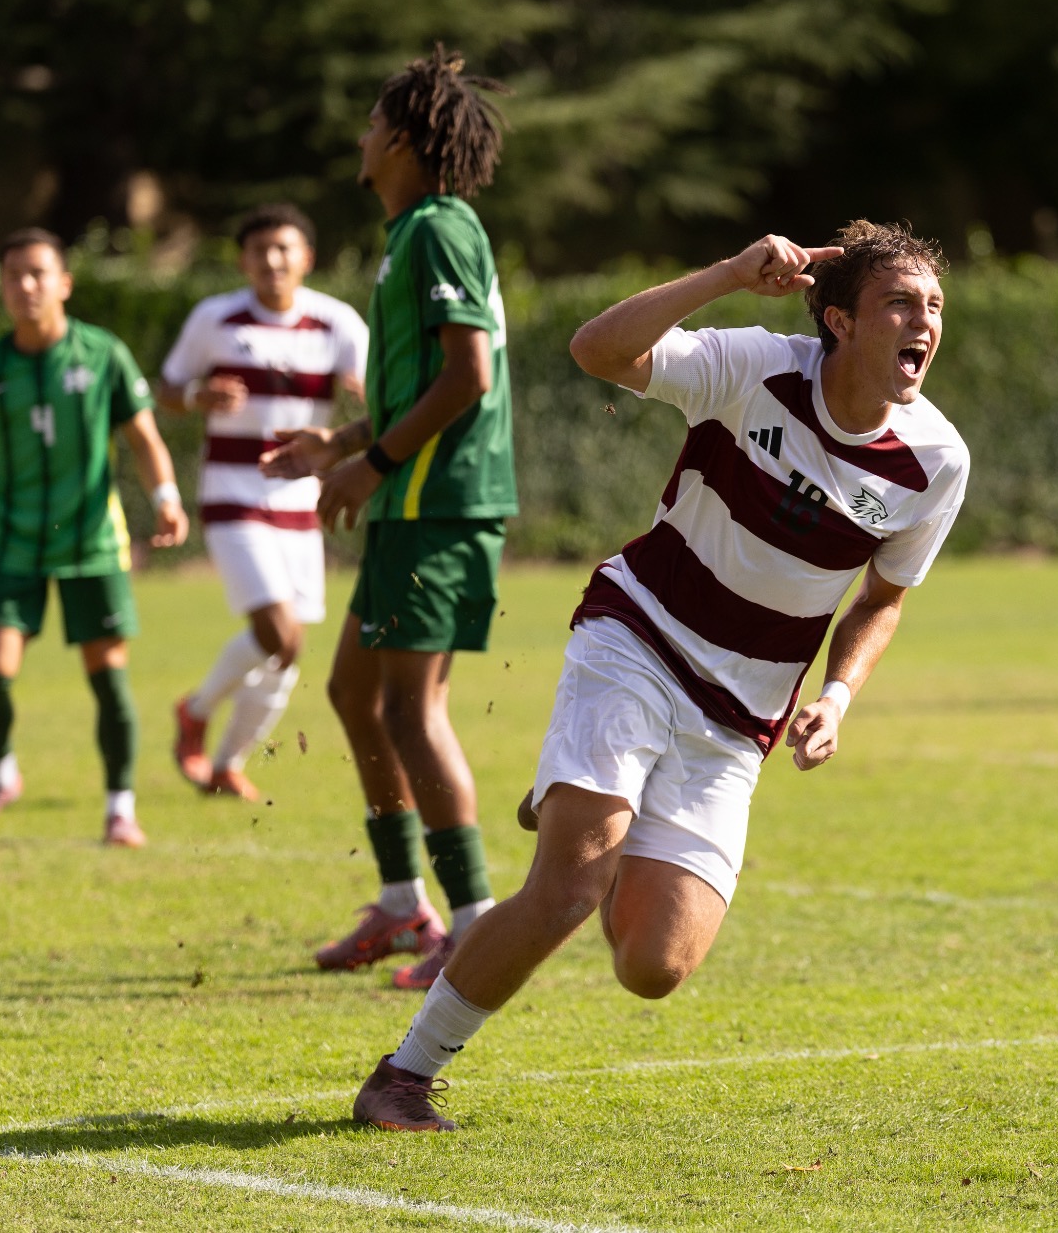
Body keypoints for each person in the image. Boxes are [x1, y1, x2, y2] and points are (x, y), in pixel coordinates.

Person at [350, 220, 970, 1131]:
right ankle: (404, 1074)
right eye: (901, 303)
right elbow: (596, 349)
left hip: (739, 716)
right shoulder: (754, 364)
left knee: (654, 965)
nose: (925, 321)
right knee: (568, 888)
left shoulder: (937, 460)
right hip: (638, 638)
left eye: (936, 307)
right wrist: (724, 273)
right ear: (838, 319)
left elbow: (883, 598)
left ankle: (590, 796)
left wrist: (838, 696)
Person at [261, 47, 515, 989]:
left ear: (405, 140)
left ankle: (479, 924)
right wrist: (338, 442)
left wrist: (368, 466)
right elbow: (426, 384)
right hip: (409, 500)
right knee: (353, 694)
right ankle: (408, 901)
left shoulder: (443, 228)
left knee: (411, 706)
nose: (361, 137)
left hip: (439, 506)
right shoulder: (413, 234)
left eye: (373, 123)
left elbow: (469, 378)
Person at [0, 228, 190, 846]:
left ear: (64, 283)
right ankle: (1, 776)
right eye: (13, 276)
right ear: (1, 288)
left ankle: (120, 808)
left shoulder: (104, 354)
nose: (26, 286)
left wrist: (167, 498)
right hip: (13, 543)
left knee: (108, 677)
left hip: (92, 542)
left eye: (38, 274)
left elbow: (145, 440)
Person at [159, 203, 368, 802]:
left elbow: (377, 392)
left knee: (289, 651)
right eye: (259, 251)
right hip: (232, 491)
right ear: (243, 261)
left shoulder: (336, 323)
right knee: (281, 635)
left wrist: (361, 395)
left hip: (303, 497)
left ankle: (226, 764)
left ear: (306, 257)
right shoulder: (215, 318)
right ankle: (196, 711)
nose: (272, 261)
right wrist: (199, 394)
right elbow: (167, 388)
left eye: (284, 249)